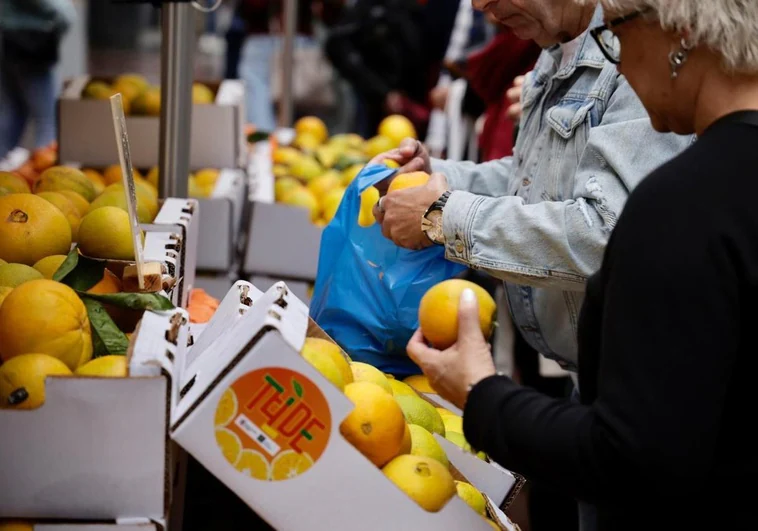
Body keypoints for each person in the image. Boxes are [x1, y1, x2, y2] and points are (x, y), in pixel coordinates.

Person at [407, 0, 758, 528]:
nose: (614, 60)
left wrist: (483, 394)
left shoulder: (683, 208)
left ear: (680, 34)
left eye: (616, 32)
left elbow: (633, 460)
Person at [371, 0, 692, 377]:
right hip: (591, 375)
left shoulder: (632, 53)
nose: (480, 5)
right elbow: (535, 178)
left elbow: (605, 234)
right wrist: (434, 178)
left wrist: (440, 214)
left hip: (638, 383)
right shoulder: (555, 50)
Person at [0, 0, 75, 159]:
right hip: (30, 44)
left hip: (10, 39)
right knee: (46, 118)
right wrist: (66, 13)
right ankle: (44, 170)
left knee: (11, 113)